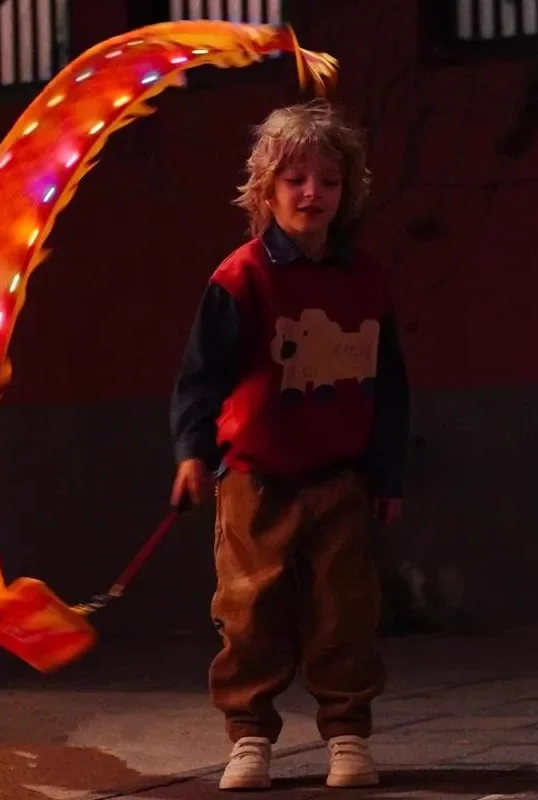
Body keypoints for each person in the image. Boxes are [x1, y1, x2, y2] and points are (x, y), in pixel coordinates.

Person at [169, 100, 410, 790]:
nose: (313, 194)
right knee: (249, 614)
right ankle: (249, 737)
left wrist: (386, 476)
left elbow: (389, 383)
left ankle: (347, 734)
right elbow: (200, 376)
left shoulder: (366, 280)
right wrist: (191, 451)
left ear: (347, 190)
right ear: (267, 188)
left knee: (346, 609)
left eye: (328, 181)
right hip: (257, 476)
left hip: (342, 476)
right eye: (296, 179)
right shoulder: (240, 279)